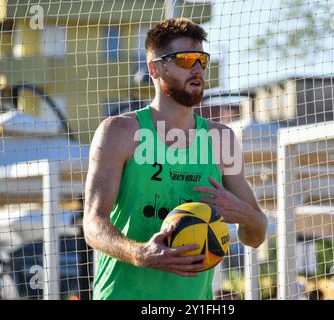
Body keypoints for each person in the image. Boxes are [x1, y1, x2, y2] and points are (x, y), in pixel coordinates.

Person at [83, 17, 268, 300]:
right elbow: (93, 225)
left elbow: (256, 235)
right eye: (185, 59)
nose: (197, 69)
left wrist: (243, 214)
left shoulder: (221, 139)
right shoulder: (119, 131)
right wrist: (140, 253)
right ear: (154, 68)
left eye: (201, 60)